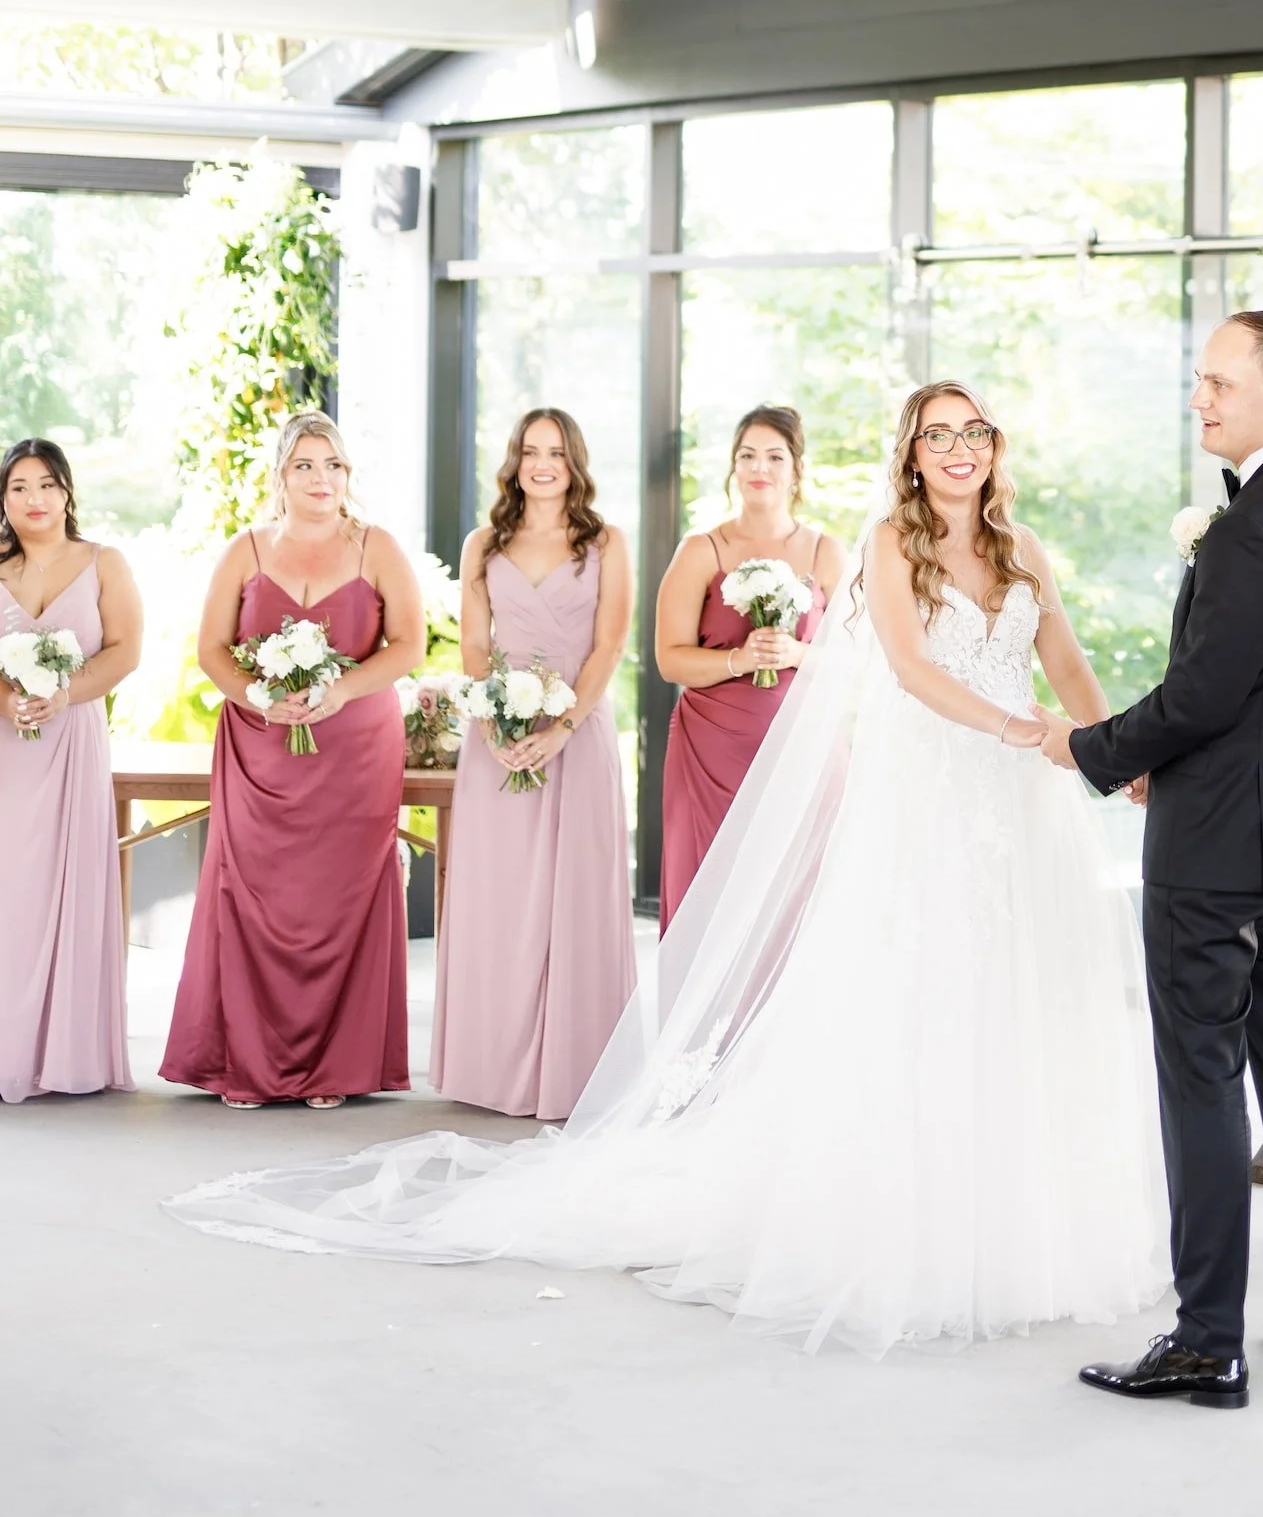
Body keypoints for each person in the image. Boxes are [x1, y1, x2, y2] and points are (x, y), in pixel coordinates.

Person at [165, 382, 1165, 1361]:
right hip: (940, 785)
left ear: (994, 447)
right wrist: (1022, 729)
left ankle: (1009, 1213)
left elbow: (1065, 659)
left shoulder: (1021, 548)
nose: (958, 448)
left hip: (1019, 796)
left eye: (974, 431)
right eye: (935, 433)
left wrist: (1111, 752)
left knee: (1013, 990)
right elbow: (905, 665)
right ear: (909, 452)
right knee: (914, 989)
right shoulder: (887, 544)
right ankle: (910, 1218)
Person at [1041, 310, 1263, 1410]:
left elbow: (1201, 695)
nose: (1199, 399)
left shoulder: (1247, 529)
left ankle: (1203, 1339)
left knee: (1200, 1078)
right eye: (1198, 380)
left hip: (1217, 845)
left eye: (1219, 384)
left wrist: (1091, 747)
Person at [161, 412, 424, 1109]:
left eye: (332, 465)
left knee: (339, 901)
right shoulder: (244, 551)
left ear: (348, 475)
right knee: (253, 897)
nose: (320, 479)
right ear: (280, 474)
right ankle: (244, 1060)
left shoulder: (378, 548)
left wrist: (340, 691)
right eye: (305, 465)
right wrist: (254, 693)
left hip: (355, 751)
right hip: (260, 752)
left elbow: (407, 647)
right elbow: (211, 649)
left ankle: (335, 1066)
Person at [430, 407, 637, 1120]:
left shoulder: (605, 541)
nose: (542, 463)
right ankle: (492, 1068)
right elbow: (475, 648)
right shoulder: (483, 543)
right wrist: (492, 726)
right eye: (529, 451)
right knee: (501, 896)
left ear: (575, 462)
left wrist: (563, 729)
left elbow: (610, 644)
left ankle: (577, 1070)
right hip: (499, 734)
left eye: (555, 452)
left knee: (575, 894)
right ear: (514, 461)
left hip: (577, 732)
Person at [654, 405, 844, 928]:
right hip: (709, 750)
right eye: (747, 455)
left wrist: (796, 654)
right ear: (733, 468)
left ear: (795, 469)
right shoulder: (701, 550)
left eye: (774, 456)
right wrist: (739, 658)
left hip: (800, 750)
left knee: (792, 898)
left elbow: (858, 659)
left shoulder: (827, 551)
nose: (760, 468)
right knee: (709, 893)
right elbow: (669, 659)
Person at [0, 438, 142, 1104]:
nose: (35, 499)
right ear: (4, 500)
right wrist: (9, 698)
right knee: (12, 894)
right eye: (20, 487)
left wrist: (65, 693)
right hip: (7, 751)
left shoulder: (103, 562)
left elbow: (125, 649)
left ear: (67, 493)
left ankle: (68, 1054)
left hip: (74, 740)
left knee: (72, 884)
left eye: (47, 485)